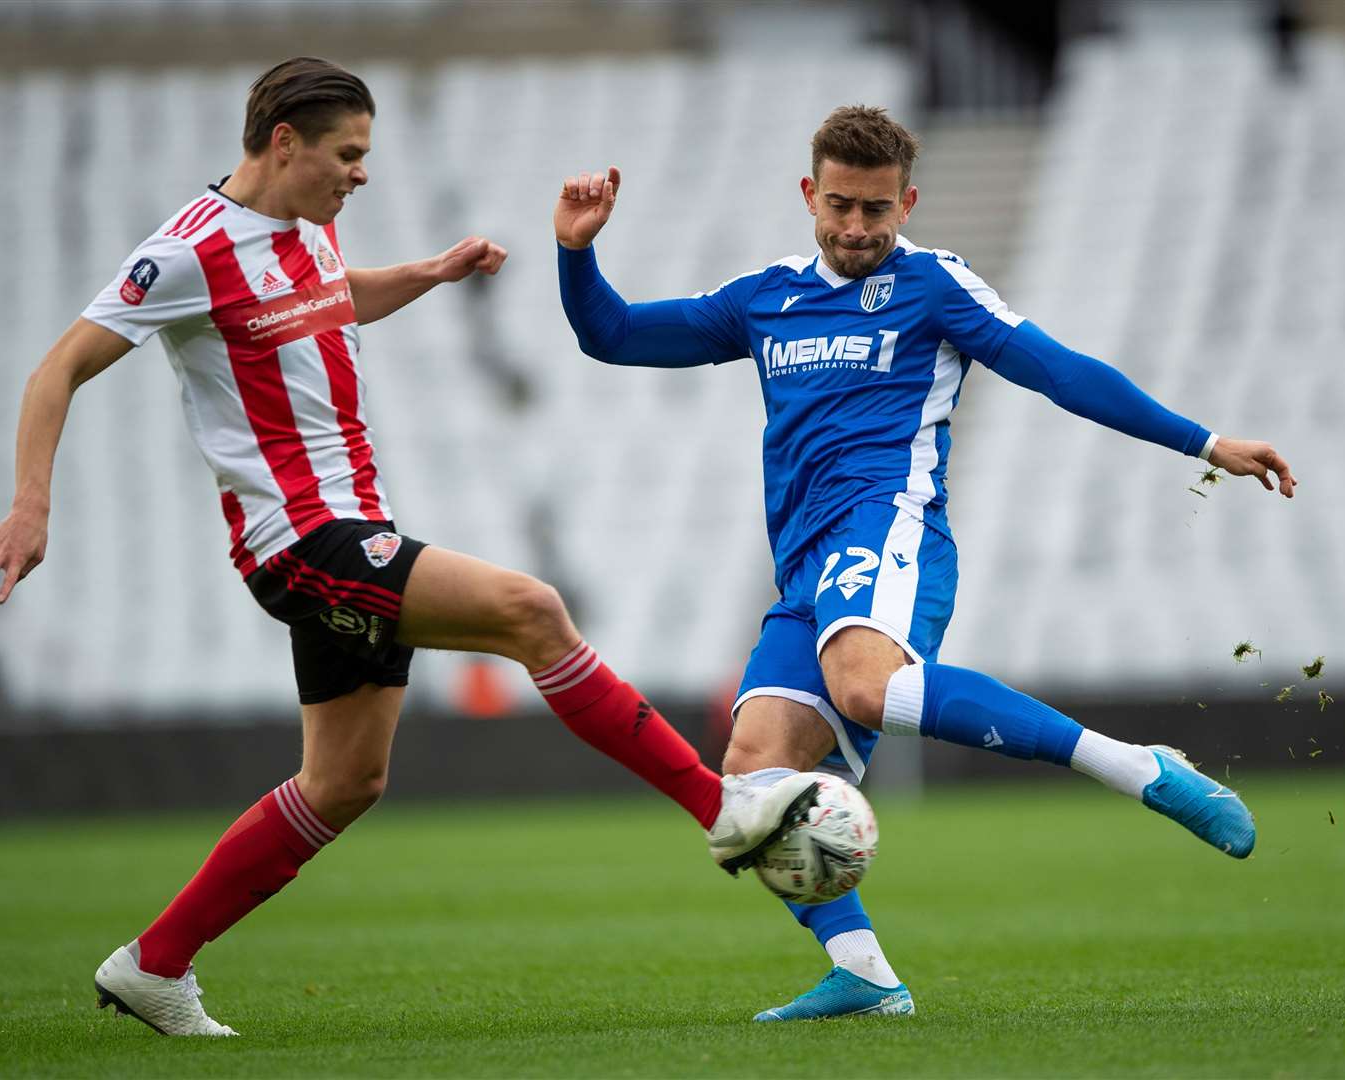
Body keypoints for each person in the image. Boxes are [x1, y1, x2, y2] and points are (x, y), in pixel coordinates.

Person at [0, 57, 816, 1038]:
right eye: (348, 154)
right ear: (285, 143)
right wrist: (32, 504)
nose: (361, 174)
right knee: (533, 611)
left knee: (346, 782)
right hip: (303, 539)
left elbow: (331, 297)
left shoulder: (311, 229)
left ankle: (154, 965)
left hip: (354, 528)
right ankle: (724, 810)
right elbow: (59, 365)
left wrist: (430, 273)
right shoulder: (187, 255)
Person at [553, 105, 1297, 1022]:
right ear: (807, 196)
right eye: (839, 207)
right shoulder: (762, 298)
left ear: (906, 202)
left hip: (893, 527)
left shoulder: (935, 285)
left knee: (864, 686)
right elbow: (613, 336)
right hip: (806, 568)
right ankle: (864, 975)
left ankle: (1138, 766)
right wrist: (576, 253)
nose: (857, 228)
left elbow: (1057, 370)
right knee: (749, 781)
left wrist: (1205, 440)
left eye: (876, 210)